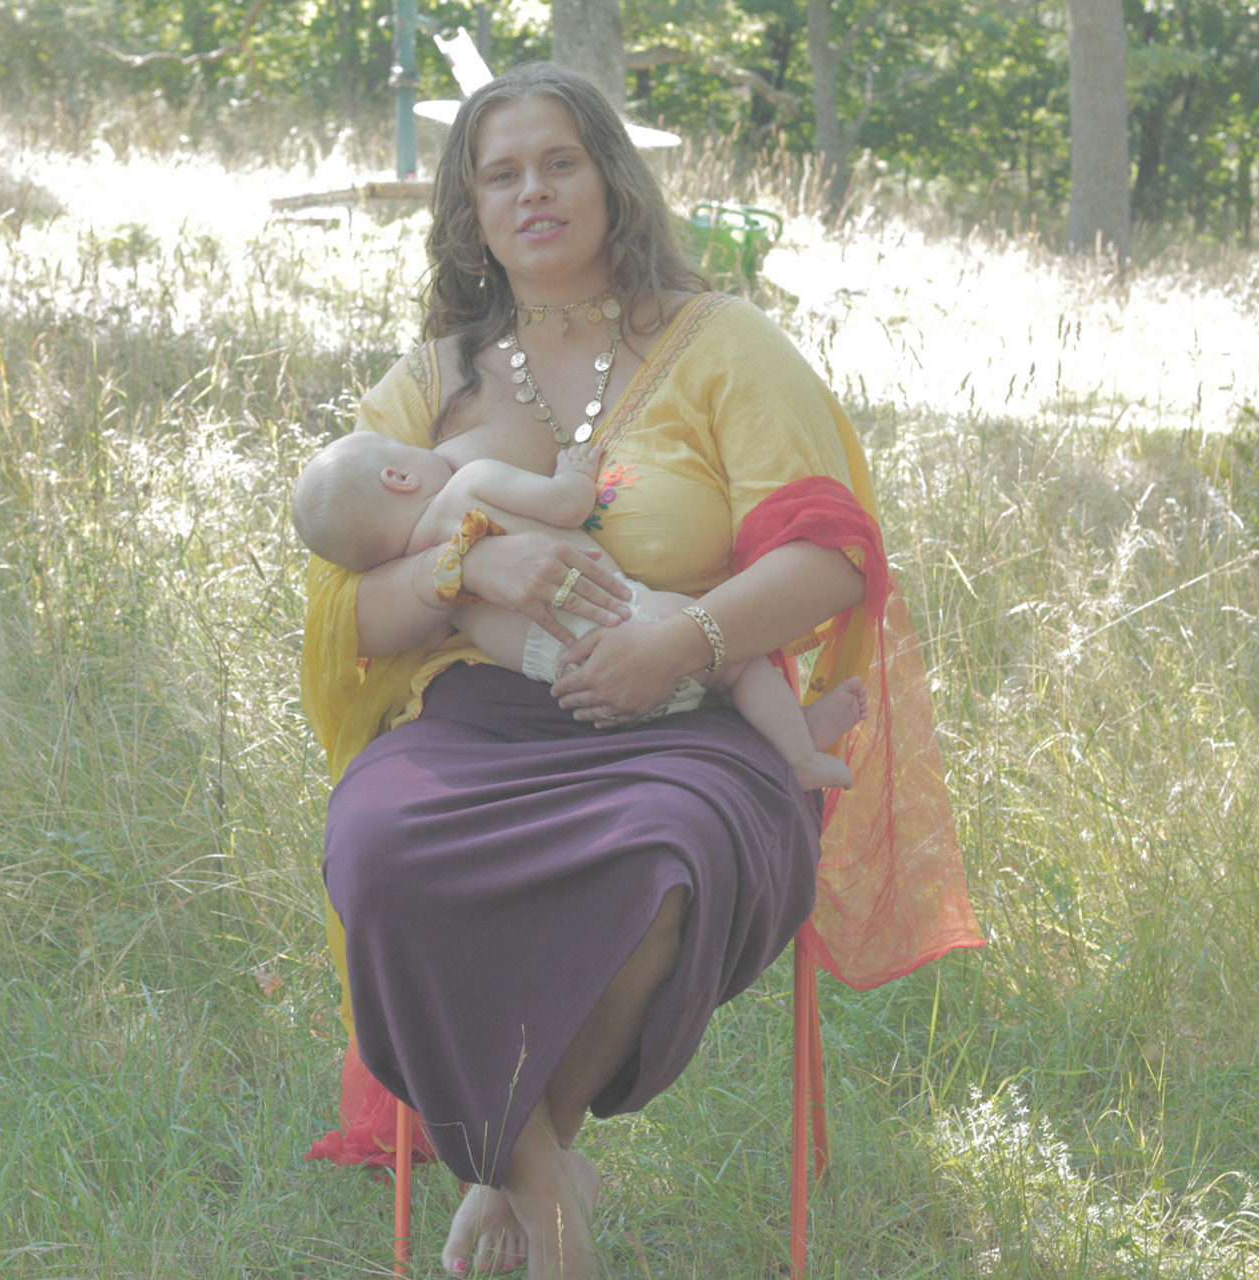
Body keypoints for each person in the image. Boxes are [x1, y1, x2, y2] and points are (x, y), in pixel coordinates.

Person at [298, 63, 983, 1277]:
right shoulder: (427, 385)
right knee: (381, 851)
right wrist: (471, 567)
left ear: (612, 180)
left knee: (662, 861)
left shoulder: (725, 344)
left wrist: (680, 639)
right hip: (476, 723)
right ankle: (547, 1192)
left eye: (559, 161)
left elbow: (830, 557)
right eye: (501, 174)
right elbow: (351, 608)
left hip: (697, 713)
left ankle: (520, 1159)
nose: (533, 191)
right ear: (470, 210)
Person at [291, 431, 867, 790]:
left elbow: (422, 642)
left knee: (707, 684)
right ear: (399, 477)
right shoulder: (470, 484)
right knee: (733, 664)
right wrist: (575, 469)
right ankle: (798, 747)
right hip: (627, 622)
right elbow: (566, 506)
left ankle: (775, 735)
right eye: (409, 448)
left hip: (577, 687)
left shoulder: (435, 587)